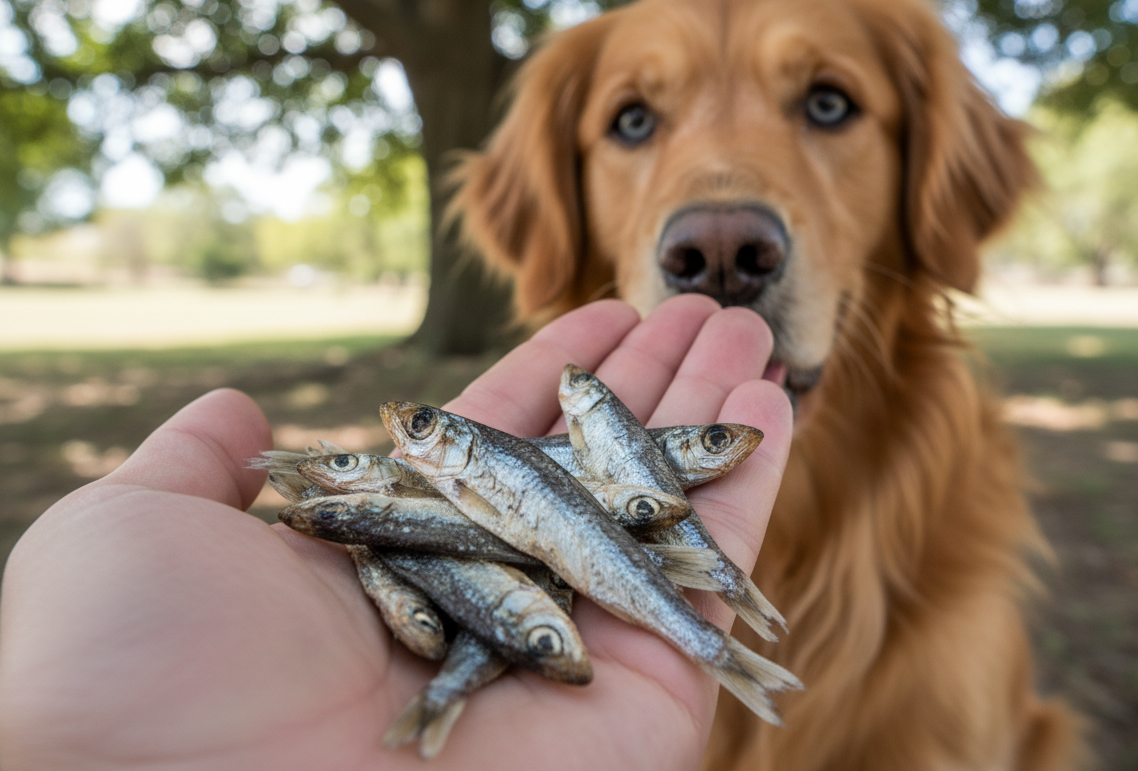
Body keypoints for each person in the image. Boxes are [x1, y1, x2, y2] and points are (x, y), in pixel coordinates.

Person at [0, 295, 792, 771]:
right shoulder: (446, 476)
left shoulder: (468, 462)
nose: (403, 428)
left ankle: (725, 650)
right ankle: (724, 649)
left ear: (453, 443)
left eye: (419, 424)